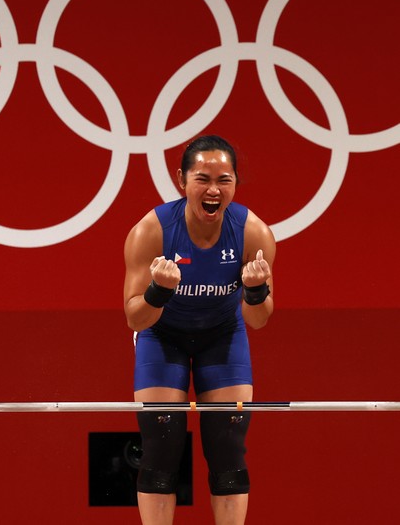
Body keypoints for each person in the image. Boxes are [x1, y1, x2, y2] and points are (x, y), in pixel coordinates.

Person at [123, 135, 275, 525]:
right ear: (181, 180)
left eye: (224, 180)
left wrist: (256, 292)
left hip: (223, 336)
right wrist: (158, 292)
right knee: (161, 446)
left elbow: (258, 320)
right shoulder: (150, 231)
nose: (213, 189)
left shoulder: (253, 233)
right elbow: (135, 318)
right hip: (162, 336)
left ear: (235, 184)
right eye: (202, 178)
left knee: (227, 449)